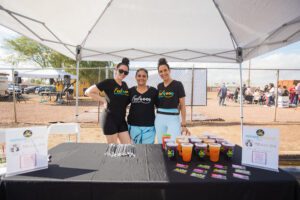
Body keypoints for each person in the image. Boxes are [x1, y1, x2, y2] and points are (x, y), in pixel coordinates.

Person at [85, 58, 131, 144]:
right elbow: (88, 92)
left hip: (121, 120)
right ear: (116, 70)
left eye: (126, 72)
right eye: (121, 71)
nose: (123, 74)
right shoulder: (108, 82)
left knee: (127, 146)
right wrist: (103, 100)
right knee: (113, 149)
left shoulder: (125, 85)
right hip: (109, 119)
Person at [155, 58, 190, 143]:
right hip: (159, 118)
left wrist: (184, 124)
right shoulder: (159, 86)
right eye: (160, 71)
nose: (163, 73)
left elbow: (182, 105)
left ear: (169, 70)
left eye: (165, 70)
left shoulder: (178, 84)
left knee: (172, 144)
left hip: (173, 118)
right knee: (161, 143)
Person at [127, 68, 158, 144]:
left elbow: (160, 106)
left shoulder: (153, 91)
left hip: (149, 127)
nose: (141, 78)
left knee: (147, 151)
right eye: (139, 76)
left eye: (144, 76)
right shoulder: (130, 91)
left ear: (147, 78)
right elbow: (121, 105)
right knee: (134, 151)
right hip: (133, 126)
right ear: (136, 77)